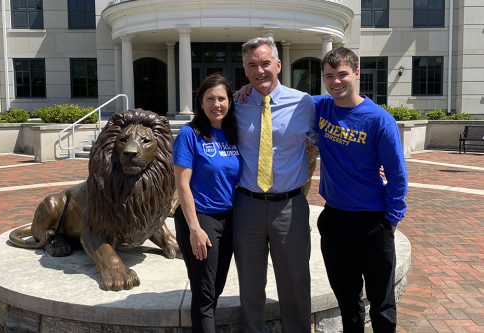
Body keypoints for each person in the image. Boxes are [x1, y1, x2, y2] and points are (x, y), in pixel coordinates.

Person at [314, 47, 408, 332]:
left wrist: (391, 220)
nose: (336, 82)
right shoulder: (320, 107)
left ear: (356, 73)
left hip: (372, 222)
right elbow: (282, 98)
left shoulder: (379, 119)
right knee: (347, 301)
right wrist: (246, 89)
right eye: (329, 76)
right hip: (334, 221)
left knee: (381, 301)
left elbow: (397, 174)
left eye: (342, 74)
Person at [233, 37, 317, 333]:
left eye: (265, 63)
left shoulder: (304, 103)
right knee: (250, 282)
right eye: (252, 65)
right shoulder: (236, 104)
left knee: (295, 282)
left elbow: (334, 133)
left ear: (278, 65)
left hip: (290, 207)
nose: (260, 71)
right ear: (245, 70)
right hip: (247, 206)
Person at [173, 73, 242, 333]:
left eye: (222, 98)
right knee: (203, 293)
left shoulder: (232, 134)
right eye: (210, 98)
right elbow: (182, 185)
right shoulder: (189, 135)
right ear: (200, 102)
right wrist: (194, 228)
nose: (217, 104)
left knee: (215, 288)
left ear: (230, 102)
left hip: (229, 217)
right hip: (200, 217)